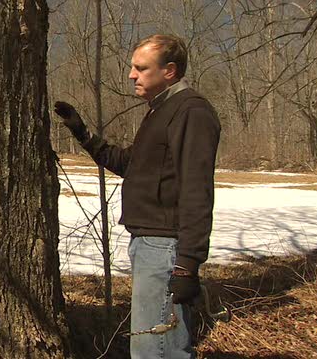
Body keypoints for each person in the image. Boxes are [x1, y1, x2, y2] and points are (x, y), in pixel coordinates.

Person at [54, 34, 220, 358]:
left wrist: (187, 265)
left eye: (141, 68)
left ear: (169, 71)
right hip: (148, 243)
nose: (131, 75)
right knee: (151, 345)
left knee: (156, 348)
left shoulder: (191, 111)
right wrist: (83, 134)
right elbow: (130, 164)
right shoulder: (160, 110)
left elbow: (197, 190)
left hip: (166, 248)